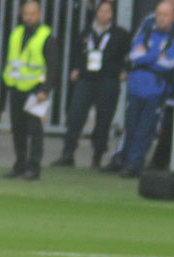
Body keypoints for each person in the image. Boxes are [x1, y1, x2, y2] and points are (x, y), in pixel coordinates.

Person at [51, 1, 130, 169]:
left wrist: (124, 70)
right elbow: (77, 52)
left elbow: (128, 55)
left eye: (107, 11)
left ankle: (97, 156)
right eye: (101, 10)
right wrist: (76, 68)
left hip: (108, 80)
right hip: (86, 79)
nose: (103, 14)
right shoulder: (86, 32)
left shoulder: (120, 34)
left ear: (112, 14)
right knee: (75, 116)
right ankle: (68, 153)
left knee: (103, 119)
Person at [0, 0, 59, 181]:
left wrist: (45, 89)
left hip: (36, 89)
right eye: (26, 14)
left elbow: (53, 66)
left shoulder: (46, 36)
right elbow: (9, 59)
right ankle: (20, 165)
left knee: (34, 130)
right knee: (18, 129)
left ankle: (33, 168)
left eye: (32, 14)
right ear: (21, 13)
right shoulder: (16, 33)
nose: (29, 17)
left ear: (39, 14)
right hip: (17, 87)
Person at [115, 1, 174, 178]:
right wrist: (155, 55)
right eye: (159, 14)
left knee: (146, 129)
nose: (161, 19)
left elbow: (168, 63)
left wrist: (146, 55)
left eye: (165, 15)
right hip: (136, 87)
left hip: (157, 90)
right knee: (131, 126)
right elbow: (134, 54)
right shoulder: (147, 30)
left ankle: (135, 164)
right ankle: (125, 161)